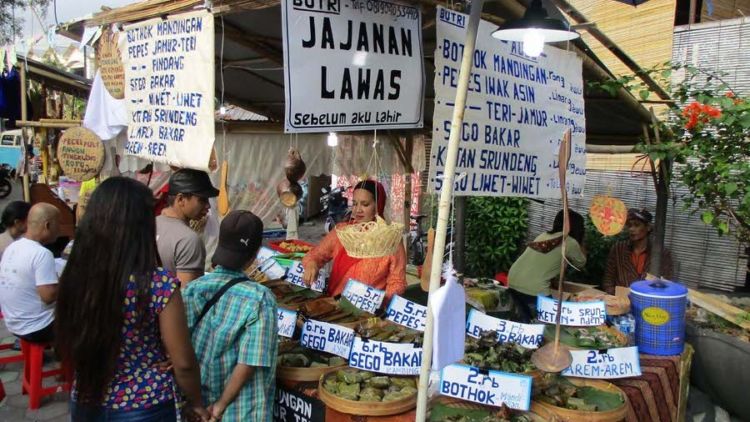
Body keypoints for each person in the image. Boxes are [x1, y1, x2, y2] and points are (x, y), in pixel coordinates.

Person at [55, 177, 210, 422]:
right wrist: (196, 403)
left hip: (86, 398)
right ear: (141, 225)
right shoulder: (158, 283)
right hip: (145, 405)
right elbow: (183, 362)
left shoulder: (75, 274)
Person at [183, 210, 278, 421]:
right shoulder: (260, 298)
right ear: (254, 255)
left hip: (197, 403)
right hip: (240, 411)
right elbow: (249, 362)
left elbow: (180, 350)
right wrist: (220, 406)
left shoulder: (193, 289)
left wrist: (195, 402)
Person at [302, 180, 406, 300]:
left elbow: (397, 281)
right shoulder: (342, 232)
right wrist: (312, 264)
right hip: (334, 305)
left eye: (365, 204)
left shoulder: (390, 239)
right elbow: (315, 255)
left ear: (378, 206)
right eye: (355, 204)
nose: (358, 210)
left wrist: (381, 303)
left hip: (369, 312)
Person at [508, 209, 587, 323]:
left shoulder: (543, 235)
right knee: (548, 326)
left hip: (513, 280)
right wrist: (582, 242)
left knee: (524, 323)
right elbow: (581, 263)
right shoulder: (570, 242)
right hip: (534, 288)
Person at [0, 203, 59, 343]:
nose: (60, 229)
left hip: (13, 323)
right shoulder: (42, 254)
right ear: (48, 225)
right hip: (38, 328)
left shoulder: (13, 246)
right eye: (58, 224)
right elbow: (49, 296)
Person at [157, 169, 219, 287]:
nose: (208, 206)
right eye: (202, 200)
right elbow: (187, 296)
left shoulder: (150, 225)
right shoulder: (188, 240)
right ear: (181, 200)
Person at [603, 208, 674, 294]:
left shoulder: (662, 253)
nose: (631, 229)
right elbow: (608, 279)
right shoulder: (618, 249)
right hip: (620, 300)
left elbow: (667, 282)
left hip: (649, 301)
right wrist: (613, 296)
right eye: (629, 225)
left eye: (636, 225)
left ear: (648, 227)